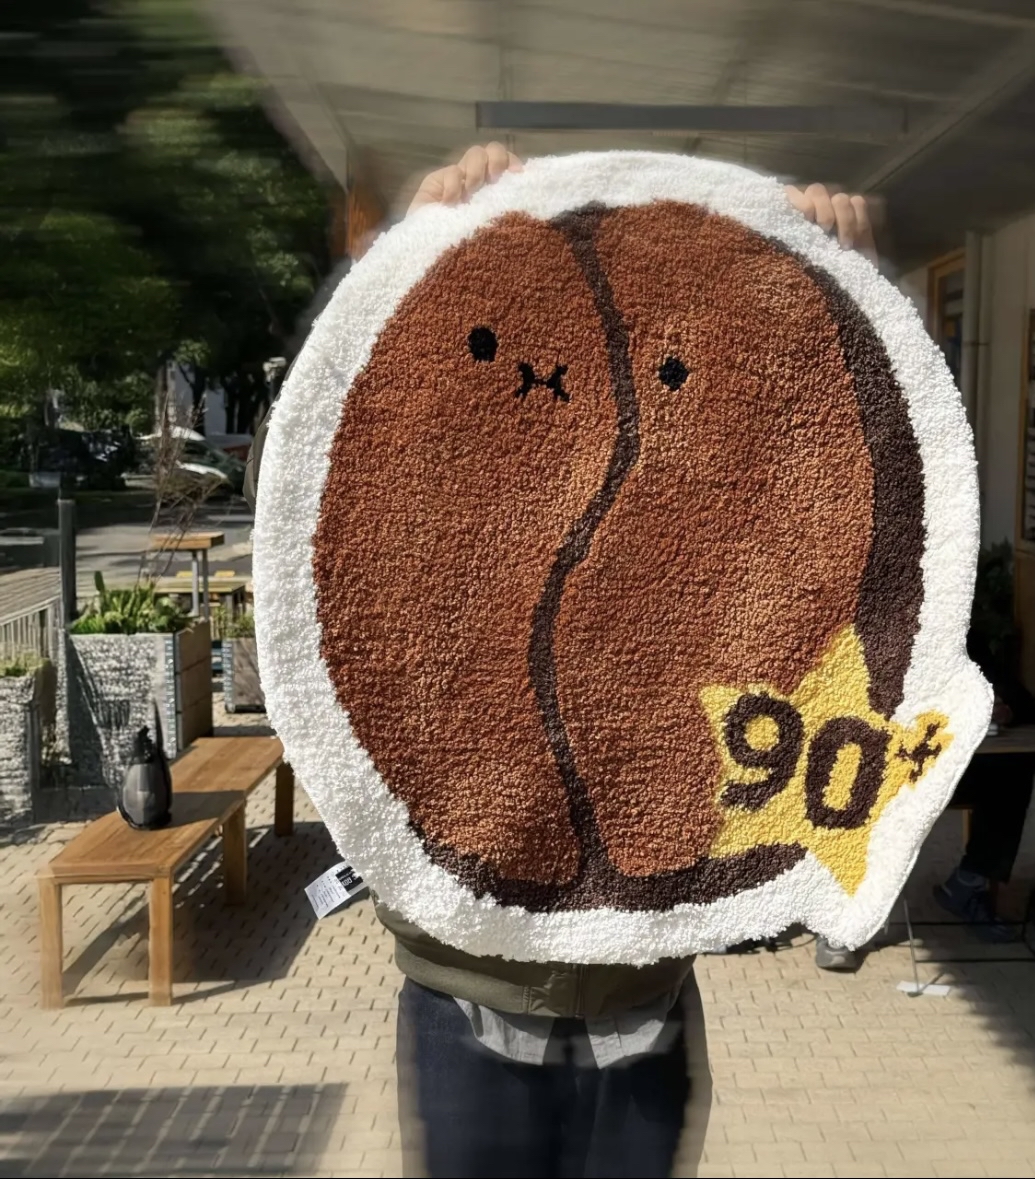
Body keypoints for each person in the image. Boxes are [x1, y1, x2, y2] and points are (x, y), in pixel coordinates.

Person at [246, 142, 878, 1179]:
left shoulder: (678, 508)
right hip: (469, 996)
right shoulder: (440, 494)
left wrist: (827, 297)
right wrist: (411, 262)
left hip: (644, 993)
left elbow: (807, 528)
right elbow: (321, 487)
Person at [814, 627, 1035, 969]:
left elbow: (1011, 690)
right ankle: (838, 922)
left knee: (1011, 776)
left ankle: (967, 883)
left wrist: (1004, 707)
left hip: (943, 770)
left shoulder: (959, 632)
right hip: (879, 771)